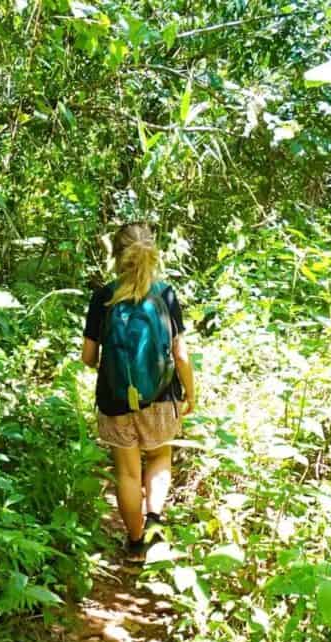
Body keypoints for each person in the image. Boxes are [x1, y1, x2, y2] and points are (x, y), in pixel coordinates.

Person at [81, 222, 195, 556]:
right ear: (153, 254)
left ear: (115, 255)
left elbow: (88, 357)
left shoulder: (103, 296)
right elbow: (180, 355)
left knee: (127, 473)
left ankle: (134, 543)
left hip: (115, 401)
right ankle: (155, 521)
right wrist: (190, 393)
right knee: (160, 455)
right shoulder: (165, 294)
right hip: (161, 398)